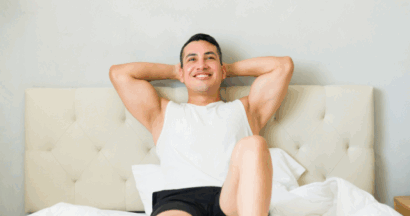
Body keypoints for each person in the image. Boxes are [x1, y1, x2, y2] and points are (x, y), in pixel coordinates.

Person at [109, 33, 294, 216]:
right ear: (181, 71)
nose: (201, 64)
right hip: (178, 201)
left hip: (230, 200)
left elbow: (283, 66)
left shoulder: (246, 109)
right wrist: (177, 71)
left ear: (222, 70)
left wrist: (225, 69)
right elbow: (119, 74)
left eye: (209, 58)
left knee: (255, 144)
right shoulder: (161, 113)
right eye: (192, 59)